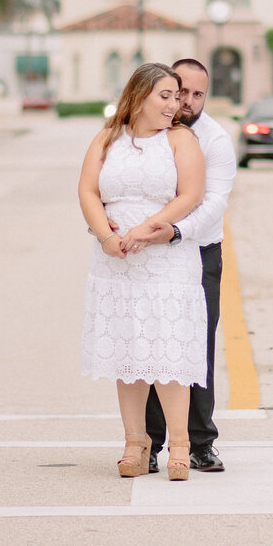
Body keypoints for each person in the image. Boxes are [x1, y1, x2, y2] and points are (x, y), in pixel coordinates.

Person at [78, 62, 207, 480]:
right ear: (139, 95)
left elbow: (191, 194)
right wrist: (105, 236)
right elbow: (88, 190)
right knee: (128, 353)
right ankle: (135, 443)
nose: (174, 105)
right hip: (117, 263)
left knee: (168, 351)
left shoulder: (180, 139)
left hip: (165, 261)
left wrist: (146, 228)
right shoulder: (107, 138)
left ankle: (180, 445)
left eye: (177, 97)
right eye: (164, 96)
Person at [126, 57, 237, 473]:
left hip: (199, 251)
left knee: (195, 347)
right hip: (147, 253)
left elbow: (213, 205)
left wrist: (174, 232)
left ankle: (200, 442)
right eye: (180, 91)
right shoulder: (145, 132)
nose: (187, 101)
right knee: (149, 345)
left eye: (197, 93)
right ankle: (150, 444)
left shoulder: (215, 140)